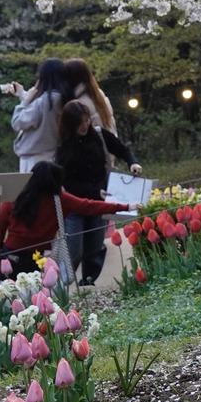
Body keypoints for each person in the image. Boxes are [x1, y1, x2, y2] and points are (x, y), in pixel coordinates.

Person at [0, 162, 130, 277]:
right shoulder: (60, 200)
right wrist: (126, 206)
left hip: (12, 254)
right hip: (40, 256)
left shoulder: (15, 198)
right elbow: (90, 206)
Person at [55, 100, 141, 285]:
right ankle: (62, 284)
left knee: (94, 246)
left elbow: (122, 149)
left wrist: (132, 162)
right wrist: (95, 191)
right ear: (71, 124)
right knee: (73, 247)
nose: (84, 126)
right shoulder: (63, 147)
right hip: (75, 204)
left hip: (100, 201)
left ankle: (88, 281)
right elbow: (66, 181)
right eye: (79, 123)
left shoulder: (99, 135)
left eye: (86, 121)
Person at [7, 58, 72, 172]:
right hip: (54, 155)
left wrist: (25, 101)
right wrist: (22, 94)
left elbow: (17, 122)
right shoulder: (65, 98)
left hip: (35, 159)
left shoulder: (46, 100)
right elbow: (39, 111)